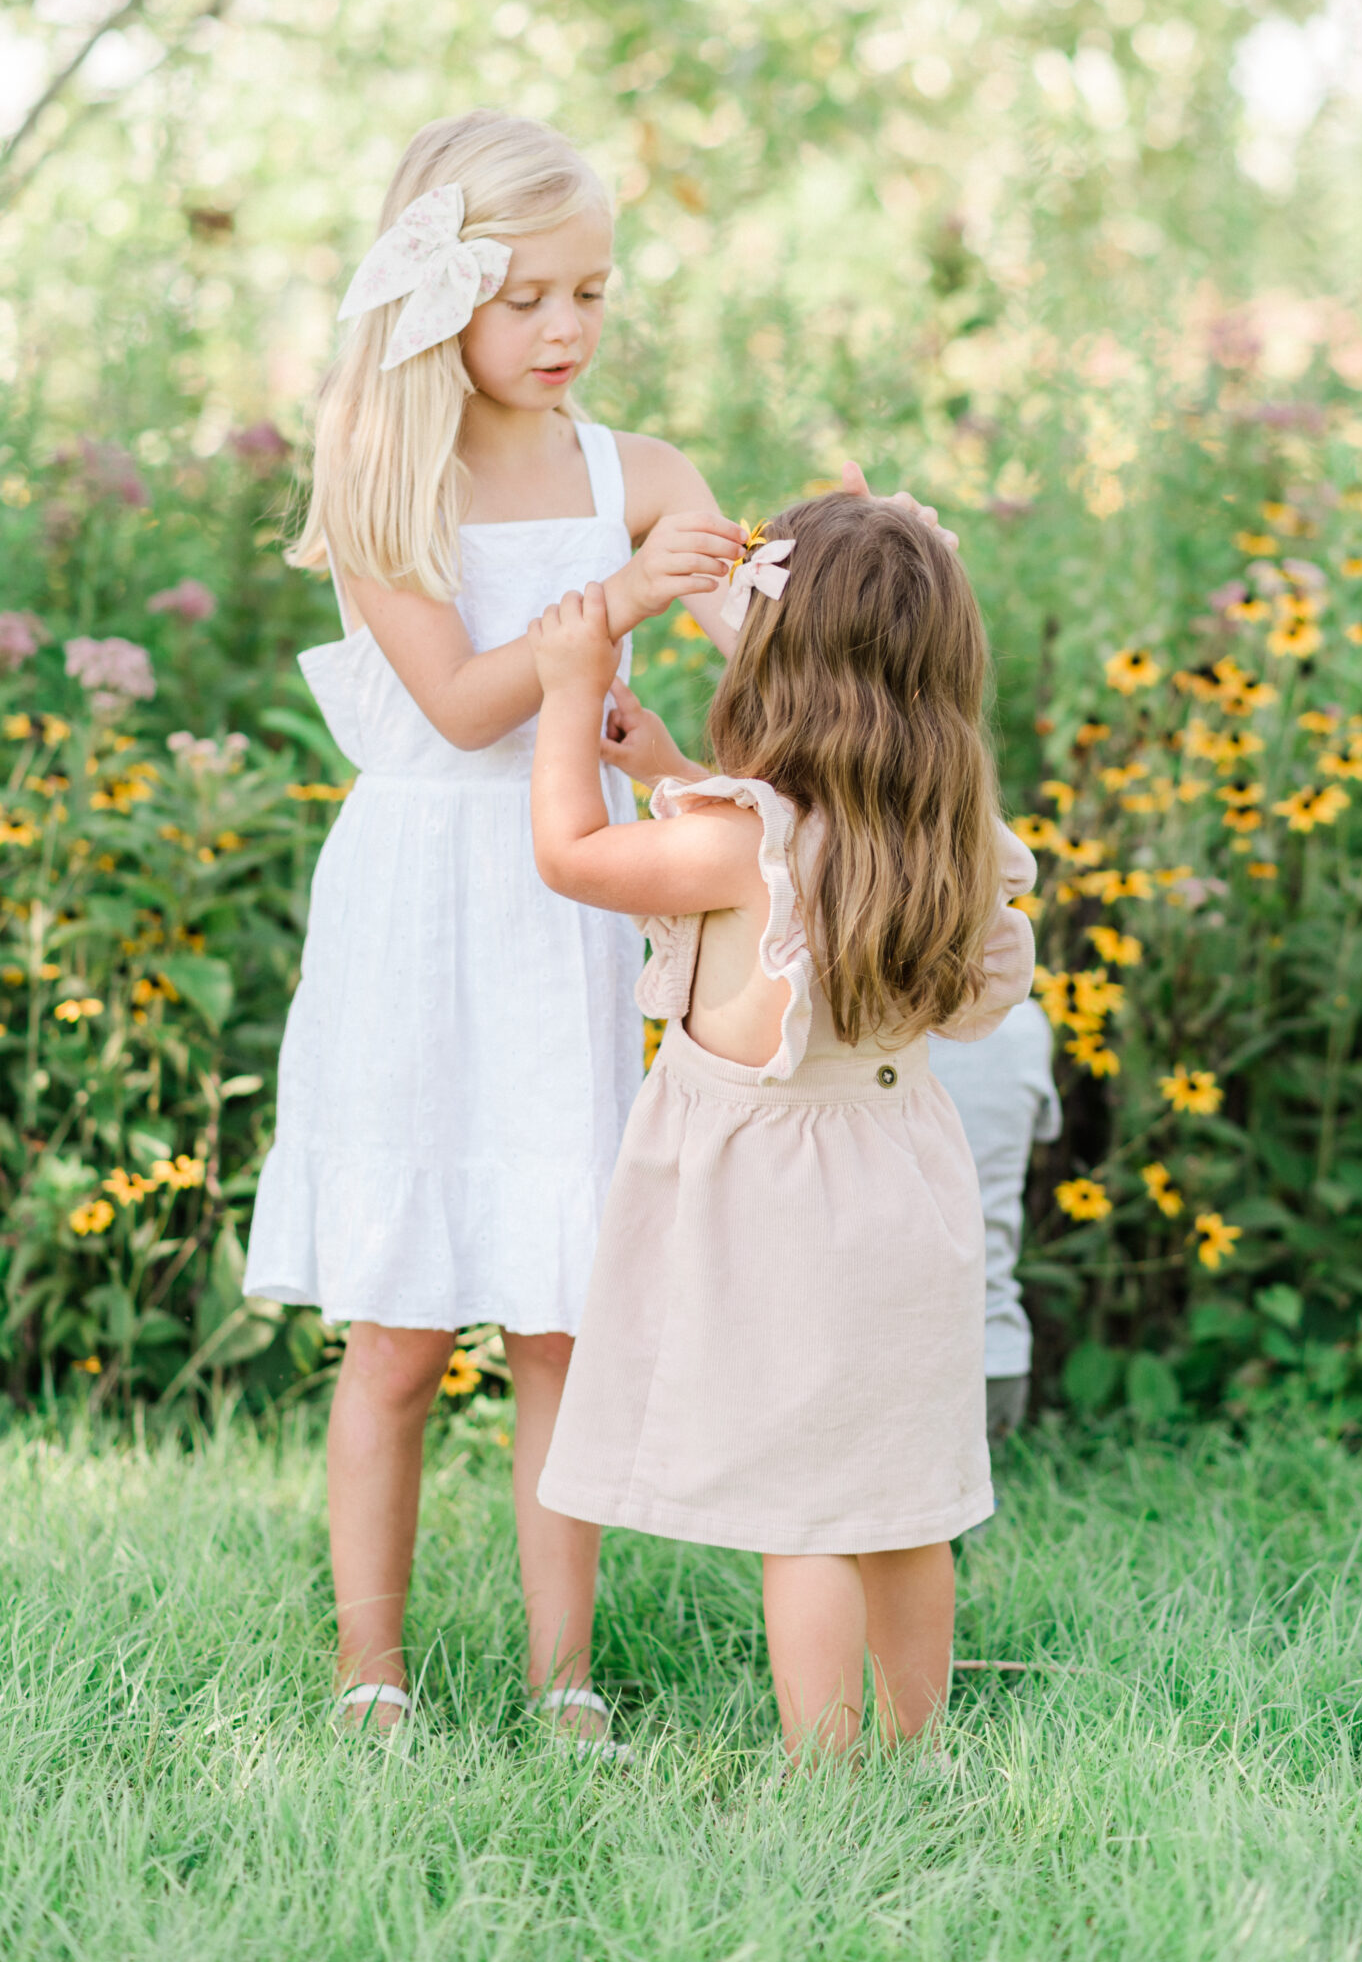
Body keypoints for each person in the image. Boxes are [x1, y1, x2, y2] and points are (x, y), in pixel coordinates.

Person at [243, 109, 746, 1747]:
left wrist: (829, 564)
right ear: (439, 296)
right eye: (525, 297)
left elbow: (761, 641)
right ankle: (367, 1664)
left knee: (555, 1317)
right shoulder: (383, 471)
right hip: (421, 909)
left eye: (590, 294)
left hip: (568, 900)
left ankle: (562, 1674)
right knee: (396, 1334)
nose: (564, 332)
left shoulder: (640, 475)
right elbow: (463, 704)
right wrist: (607, 613)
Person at [524, 492, 1036, 1764]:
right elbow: (789, 844)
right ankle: (916, 1747)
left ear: (778, 666)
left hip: (781, 1220)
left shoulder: (734, 846)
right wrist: (664, 769)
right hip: (907, 1187)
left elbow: (572, 855)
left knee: (804, 1516)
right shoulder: (947, 834)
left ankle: (827, 1773)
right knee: (899, 1503)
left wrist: (564, 692)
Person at [928, 999, 1060, 1441]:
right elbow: (1043, 1131)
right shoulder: (1025, 1021)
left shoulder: (859, 1028)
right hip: (997, 1359)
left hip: (893, 1380)